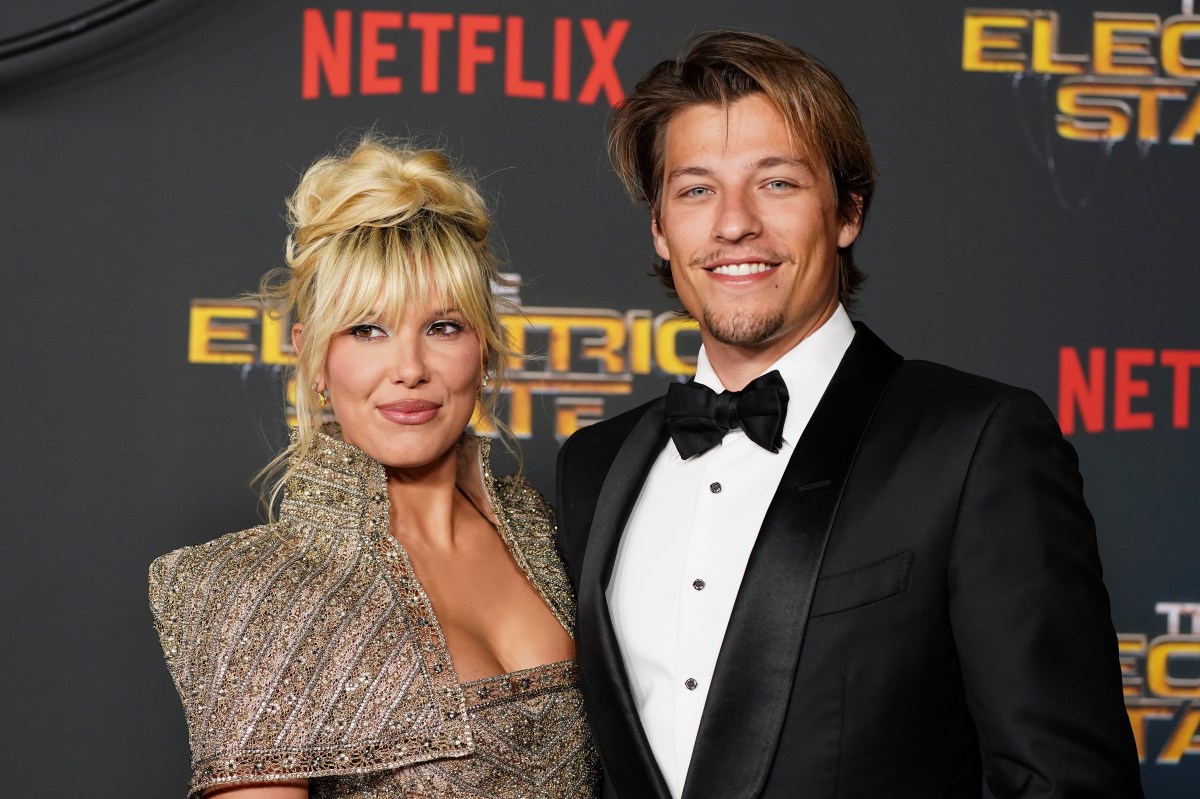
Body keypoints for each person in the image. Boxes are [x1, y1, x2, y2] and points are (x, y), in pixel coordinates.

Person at [555, 30, 1142, 799]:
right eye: (696, 190)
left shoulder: (974, 443)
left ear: (847, 211)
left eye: (777, 183)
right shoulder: (593, 467)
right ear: (661, 229)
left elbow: (1064, 781)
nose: (733, 223)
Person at [150, 136, 598, 798]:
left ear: (485, 347)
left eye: (443, 327)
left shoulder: (552, 537)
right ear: (313, 356)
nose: (409, 368)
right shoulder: (250, 590)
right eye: (367, 329)